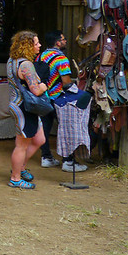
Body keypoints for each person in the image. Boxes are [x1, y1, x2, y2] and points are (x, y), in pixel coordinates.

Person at [7, 31, 48, 189]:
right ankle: (15, 178)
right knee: (21, 145)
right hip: (24, 107)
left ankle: (20, 168)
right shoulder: (26, 65)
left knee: (39, 139)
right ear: (27, 46)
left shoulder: (12, 61)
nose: (39, 46)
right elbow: (36, 91)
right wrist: (44, 85)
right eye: (36, 43)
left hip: (22, 105)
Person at [37, 30, 82, 171]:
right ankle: (68, 161)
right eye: (63, 39)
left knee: (45, 127)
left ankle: (46, 157)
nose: (65, 41)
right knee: (67, 128)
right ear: (57, 42)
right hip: (58, 98)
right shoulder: (62, 59)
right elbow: (66, 82)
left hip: (44, 97)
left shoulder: (42, 55)